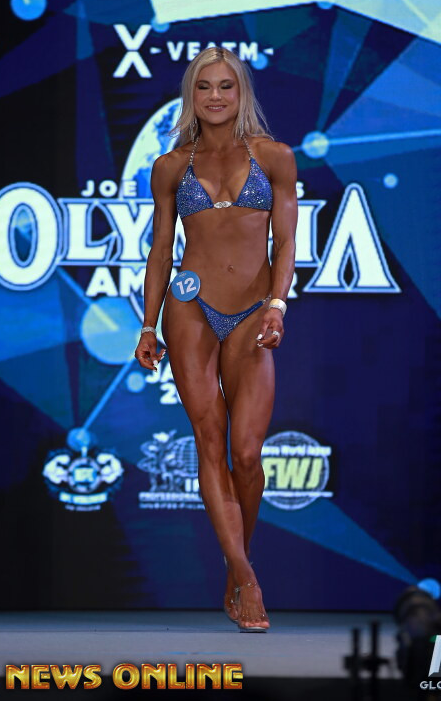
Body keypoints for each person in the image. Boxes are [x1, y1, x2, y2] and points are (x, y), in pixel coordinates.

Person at [134, 46, 297, 632]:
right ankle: (246, 579)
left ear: (241, 92)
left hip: (253, 310)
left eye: (226, 86)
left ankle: (235, 568)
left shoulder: (275, 157)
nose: (216, 96)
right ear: (191, 95)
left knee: (247, 454)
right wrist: (148, 323)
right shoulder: (171, 166)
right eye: (204, 87)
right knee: (210, 440)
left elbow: (286, 242)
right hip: (189, 308)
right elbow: (160, 252)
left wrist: (277, 304)